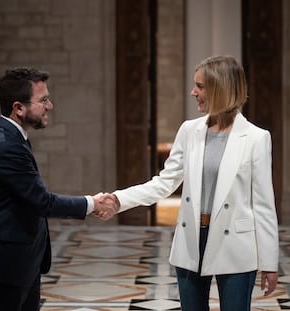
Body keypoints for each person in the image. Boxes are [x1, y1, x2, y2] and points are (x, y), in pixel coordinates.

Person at [98, 55, 279, 310]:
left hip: (237, 245)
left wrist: (270, 263)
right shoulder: (189, 131)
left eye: (200, 86)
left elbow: (263, 205)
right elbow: (164, 183)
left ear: (221, 89)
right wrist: (119, 200)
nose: (193, 92)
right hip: (192, 237)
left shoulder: (256, 138)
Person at [0, 67, 118, 311]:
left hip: (19, 261)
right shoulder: (6, 146)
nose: (50, 105)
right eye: (43, 100)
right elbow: (42, 201)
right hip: (2, 264)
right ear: (18, 108)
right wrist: (92, 203)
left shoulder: (11, 137)